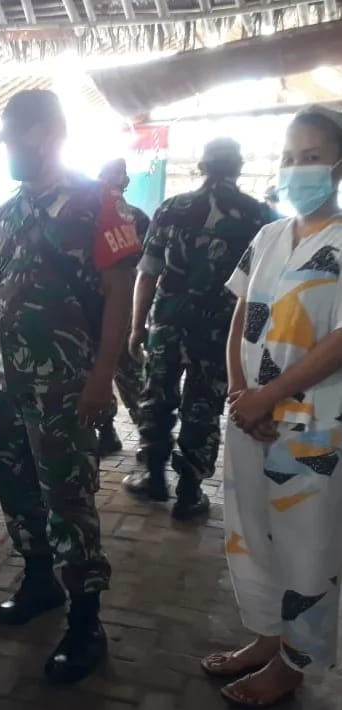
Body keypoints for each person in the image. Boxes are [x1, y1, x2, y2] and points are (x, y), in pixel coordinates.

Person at [0, 90, 142, 684]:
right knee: (14, 483)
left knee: (69, 497)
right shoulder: (7, 211)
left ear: (47, 135)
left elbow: (119, 294)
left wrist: (103, 377)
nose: (8, 150)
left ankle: (87, 623)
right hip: (2, 381)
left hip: (63, 385)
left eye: (15, 138)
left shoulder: (100, 204)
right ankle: (39, 581)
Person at [201, 106, 342, 708]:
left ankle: (293, 663)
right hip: (249, 416)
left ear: (338, 166)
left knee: (307, 545)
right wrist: (241, 390)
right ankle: (265, 636)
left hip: (313, 428)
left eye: (312, 157)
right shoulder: (268, 236)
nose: (296, 169)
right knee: (250, 532)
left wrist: (269, 396)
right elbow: (242, 313)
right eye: (288, 158)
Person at [123, 138, 266, 519]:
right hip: (221, 333)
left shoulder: (171, 209)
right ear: (239, 167)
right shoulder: (259, 216)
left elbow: (147, 274)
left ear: (201, 167)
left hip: (167, 325)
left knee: (157, 398)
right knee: (203, 405)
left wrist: (137, 328)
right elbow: (261, 290)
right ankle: (190, 493)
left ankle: (153, 476)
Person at [97, 158, 151, 457]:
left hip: (125, 307)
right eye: (109, 174)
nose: (114, 180)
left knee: (129, 374)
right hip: (99, 307)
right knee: (99, 373)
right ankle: (106, 431)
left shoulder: (137, 219)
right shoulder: (92, 214)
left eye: (119, 175)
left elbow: (146, 269)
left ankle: (147, 435)